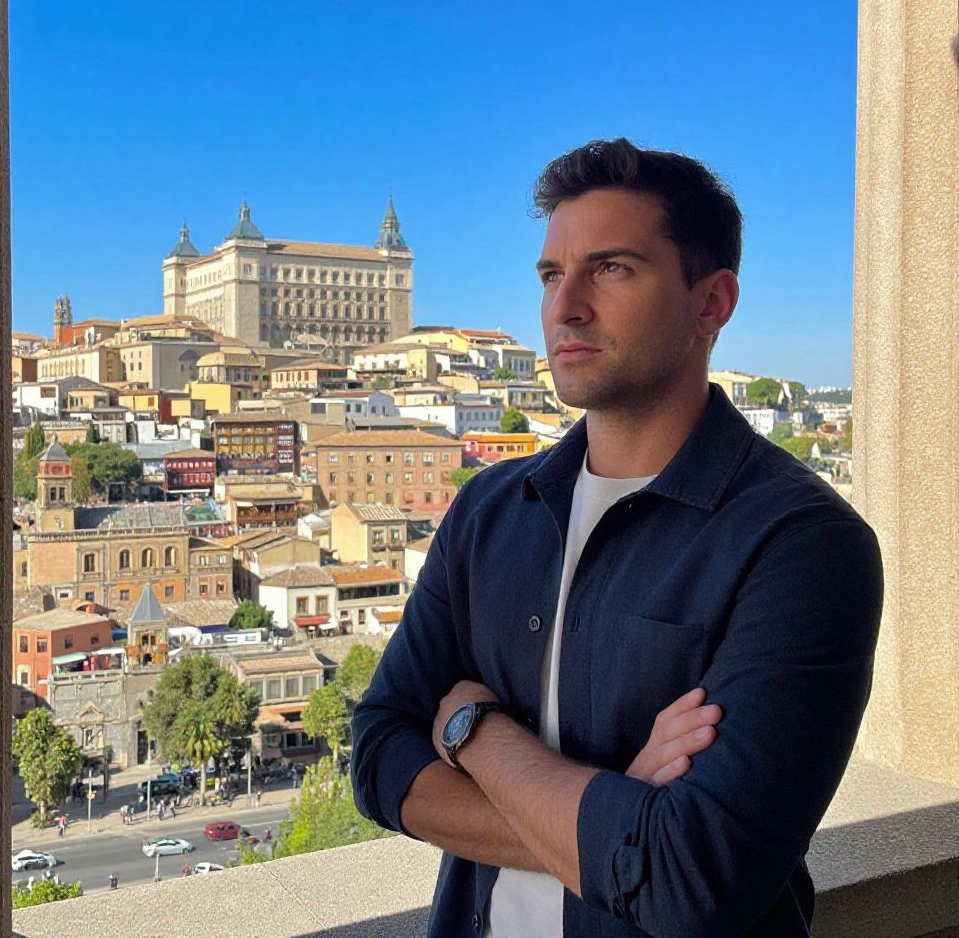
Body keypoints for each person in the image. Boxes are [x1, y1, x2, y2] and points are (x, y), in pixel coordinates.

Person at [350, 138, 884, 938]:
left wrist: (477, 734)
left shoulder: (802, 543)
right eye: (550, 275)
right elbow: (379, 757)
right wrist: (608, 811)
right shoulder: (490, 510)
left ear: (712, 303)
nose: (565, 307)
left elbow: (688, 878)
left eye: (612, 269)